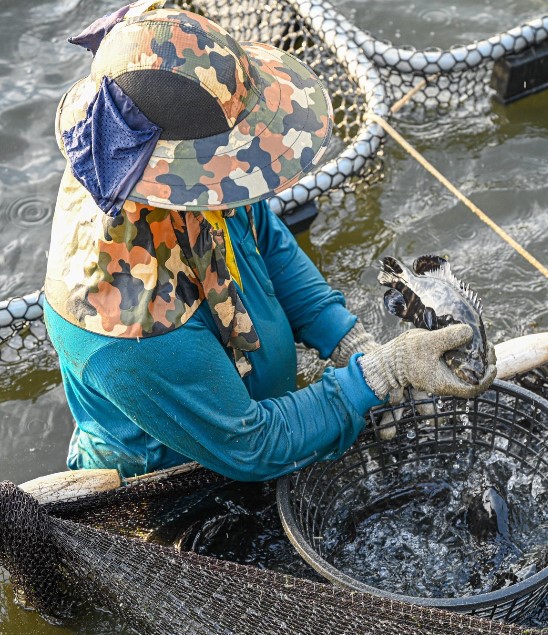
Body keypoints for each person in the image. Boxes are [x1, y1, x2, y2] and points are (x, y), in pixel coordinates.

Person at [43, 1, 495, 481]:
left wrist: (350, 342)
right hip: (182, 472)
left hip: (256, 415)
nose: (239, 171)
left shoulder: (194, 188)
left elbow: (269, 245)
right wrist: (379, 377)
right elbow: (251, 446)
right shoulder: (124, 327)